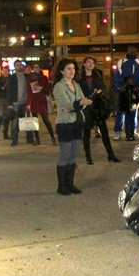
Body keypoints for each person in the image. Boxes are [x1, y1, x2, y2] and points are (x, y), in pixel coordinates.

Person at [52, 58, 93, 195]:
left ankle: (70, 184)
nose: (72, 71)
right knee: (65, 154)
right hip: (65, 124)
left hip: (77, 122)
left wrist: (78, 104)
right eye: (68, 69)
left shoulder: (76, 84)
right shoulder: (59, 86)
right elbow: (67, 104)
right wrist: (78, 103)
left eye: (73, 69)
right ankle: (61, 185)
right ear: (62, 71)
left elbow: (80, 103)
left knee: (73, 155)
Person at [76, 56, 120, 164]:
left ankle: (111, 154)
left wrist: (100, 90)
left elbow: (104, 87)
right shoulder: (79, 78)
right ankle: (88, 157)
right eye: (89, 62)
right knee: (86, 133)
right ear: (84, 64)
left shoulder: (97, 75)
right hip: (86, 108)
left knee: (104, 132)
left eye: (93, 63)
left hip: (97, 107)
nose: (91, 64)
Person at [112, 46, 139, 140]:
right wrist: (121, 86)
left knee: (133, 111)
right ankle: (118, 131)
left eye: (134, 51)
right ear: (127, 50)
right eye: (131, 50)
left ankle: (133, 131)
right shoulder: (122, 62)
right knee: (120, 110)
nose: (132, 52)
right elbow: (117, 75)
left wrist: (138, 85)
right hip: (124, 91)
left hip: (134, 91)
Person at [26, 61, 57, 146]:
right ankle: (37, 139)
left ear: (40, 68)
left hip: (42, 101)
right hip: (34, 101)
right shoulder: (30, 77)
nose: (36, 69)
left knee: (46, 120)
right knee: (35, 121)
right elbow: (28, 91)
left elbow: (48, 90)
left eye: (38, 67)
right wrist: (28, 103)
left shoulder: (44, 77)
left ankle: (53, 138)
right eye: (35, 67)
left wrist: (42, 88)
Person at [7, 60, 33, 146]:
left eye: (20, 65)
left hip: (26, 103)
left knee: (28, 121)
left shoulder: (27, 77)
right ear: (15, 67)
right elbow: (9, 91)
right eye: (17, 65)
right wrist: (10, 104)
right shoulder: (12, 78)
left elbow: (31, 89)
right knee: (15, 123)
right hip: (16, 103)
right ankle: (14, 140)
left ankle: (30, 139)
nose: (19, 66)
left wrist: (29, 101)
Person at [118, 76, 139, 141]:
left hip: (133, 107)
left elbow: (138, 98)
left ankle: (132, 134)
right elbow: (121, 100)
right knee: (127, 121)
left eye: (131, 80)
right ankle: (128, 135)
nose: (131, 81)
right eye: (129, 80)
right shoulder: (124, 89)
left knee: (132, 121)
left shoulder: (135, 88)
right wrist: (122, 108)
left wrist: (138, 104)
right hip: (126, 107)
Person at [0, 66, 11, 141]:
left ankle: (5, 134)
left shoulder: (11, 78)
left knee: (7, 117)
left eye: (6, 71)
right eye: (3, 71)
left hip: (8, 99)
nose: (5, 72)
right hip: (1, 99)